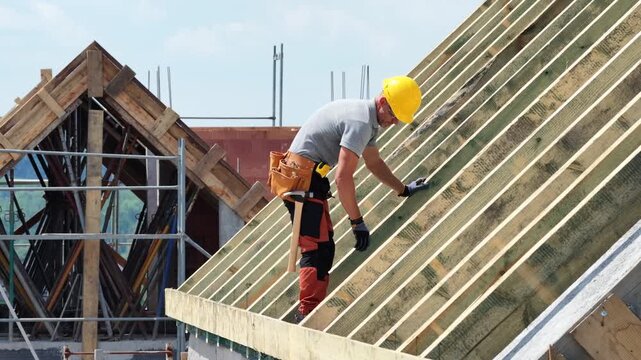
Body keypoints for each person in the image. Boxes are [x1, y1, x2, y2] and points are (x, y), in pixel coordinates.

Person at [268, 76, 430, 323]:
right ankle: (307, 315)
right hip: (301, 180)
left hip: (309, 178)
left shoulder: (369, 121)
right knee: (316, 247)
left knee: (324, 246)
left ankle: (310, 311)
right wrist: (357, 222)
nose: (395, 122)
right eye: (394, 114)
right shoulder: (361, 122)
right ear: (383, 102)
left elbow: (374, 163)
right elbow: (343, 178)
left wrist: (403, 189)